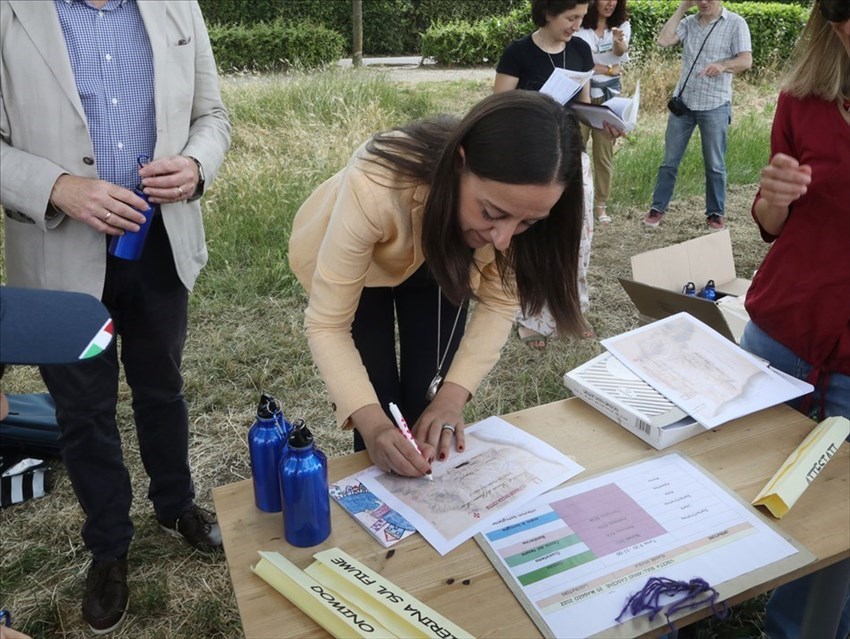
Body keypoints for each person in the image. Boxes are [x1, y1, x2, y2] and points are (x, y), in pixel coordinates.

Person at [0, 0, 231, 634]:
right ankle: (108, 547)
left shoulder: (177, 6)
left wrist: (196, 164)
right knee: (83, 412)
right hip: (59, 257)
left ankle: (175, 505)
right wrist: (55, 185)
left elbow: (211, 116)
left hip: (158, 245)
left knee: (163, 387)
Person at [289, 91, 587, 477]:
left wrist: (452, 397)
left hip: (444, 256)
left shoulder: (514, 210)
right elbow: (328, 325)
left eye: (528, 223)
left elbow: (498, 303)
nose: (504, 240)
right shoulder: (374, 184)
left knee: (427, 395)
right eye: (492, 212)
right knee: (376, 400)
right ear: (458, 164)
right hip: (361, 266)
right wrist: (375, 426)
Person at [740, 1, 850, 637]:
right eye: (836, 12)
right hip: (782, 327)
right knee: (747, 479)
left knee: (835, 516)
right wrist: (774, 199)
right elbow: (769, 223)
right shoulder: (800, 99)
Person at [494, 0, 614, 348]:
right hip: (530, 160)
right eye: (571, 17)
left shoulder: (579, 50)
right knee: (533, 238)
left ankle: (570, 309)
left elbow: (584, 106)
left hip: (573, 157)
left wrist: (607, 120)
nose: (577, 25)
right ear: (548, 12)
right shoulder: (518, 53)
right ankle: (530, 317)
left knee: (576, 235)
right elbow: (497, 109)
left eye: (581, 18)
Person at [644, 0, 751, 230]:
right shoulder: (688, 23)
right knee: (669, 162)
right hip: (684, 104)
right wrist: (683, 7)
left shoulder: (736, 23)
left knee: (714, 164)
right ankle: (657, 207)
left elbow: (746, 60)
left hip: (715, 104)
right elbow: (663, 41)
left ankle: (715, 213)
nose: (703, 2)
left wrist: (723, 66)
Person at [576, 0, 631, 224]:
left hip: (609, 98)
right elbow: (580, 63)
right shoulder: (579, 25)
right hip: (581, 95)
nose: (610, 3)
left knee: (604, 153)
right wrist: (607, 68)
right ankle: (575, 203)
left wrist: (618, 42)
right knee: (575, 150)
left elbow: (620, 54)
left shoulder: (622, 25)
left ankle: (600, 205)